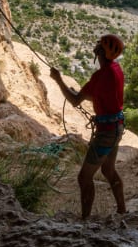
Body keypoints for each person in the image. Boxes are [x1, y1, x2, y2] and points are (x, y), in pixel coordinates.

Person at [49, 33, 126, 218]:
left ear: (101, 51)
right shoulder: (116, 69)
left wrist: (58, 79)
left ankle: (85, 220)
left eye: (99, 45)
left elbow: (75, 101)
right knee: (108, 170)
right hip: (117, 127)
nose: (96, 46)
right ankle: (122, 210)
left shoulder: (100, 76)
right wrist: (87, 95)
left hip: (106, 132)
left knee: (84, 177)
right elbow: (103, 95)